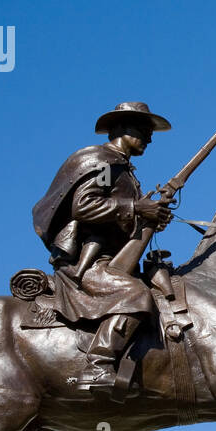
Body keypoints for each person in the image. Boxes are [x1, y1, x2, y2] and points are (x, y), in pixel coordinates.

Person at [32, 101, 174, 392]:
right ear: (122, 128)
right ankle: (98, 365)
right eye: (143, 130)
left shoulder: (123, 170)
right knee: (134, 295)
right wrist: (136, 206)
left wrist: (150, 217)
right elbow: (84, 206)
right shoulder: (106, 162)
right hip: (88, 263)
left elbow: (118, 216)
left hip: (112, 259)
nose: (149, 138)